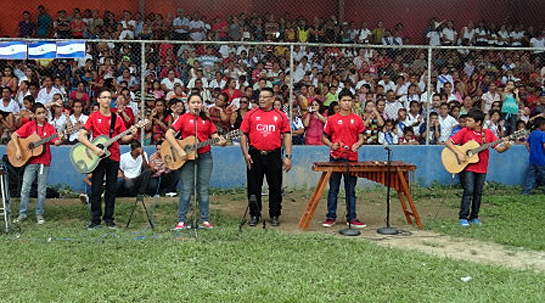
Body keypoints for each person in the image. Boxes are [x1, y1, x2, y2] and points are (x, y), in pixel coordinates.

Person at [165, 93, 227, 230]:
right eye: (193, 102)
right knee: (186, 188)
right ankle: (181, 220)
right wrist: (179, 150)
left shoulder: (207, 121)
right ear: (188, 104)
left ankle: (204, 219)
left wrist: (221, 142)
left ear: (202, 104)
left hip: (204, 156)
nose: (196, 105)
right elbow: (168, 134)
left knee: (203, 188)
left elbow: (215, 136)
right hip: (186, 157)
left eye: (198, 102)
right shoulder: (182, 118)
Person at [78, 88, 137, 230]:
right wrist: (94, 149)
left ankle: (109, 218)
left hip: (114, 156)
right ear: (98, 100)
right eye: (103, 97)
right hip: (97, 157)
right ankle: (95, 219)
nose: (106, 100)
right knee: (96, 188)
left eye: (109, 98)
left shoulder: (116, 118)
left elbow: (123, 138)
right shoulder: (92, 117)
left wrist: (133, 134)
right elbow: (81, 136)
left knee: (111, 188)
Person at [445, 109, 511, 227]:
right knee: (468, 191)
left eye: (470, 120)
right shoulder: (464, 131)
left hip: (482, 167)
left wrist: (506, 146)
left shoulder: (488, 134)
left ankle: (474, 216)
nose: (467, 122)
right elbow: (449, 142)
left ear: (478, 123)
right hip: (468, 167)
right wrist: (459, 154)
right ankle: (463, 217)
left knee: (478, 192)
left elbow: (498, 149)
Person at [240, 87, 292, 227]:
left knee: (275, 186)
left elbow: (287, 135)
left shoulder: (280, 116)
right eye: (260, 97)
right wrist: (246, 153)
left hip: (273, 155)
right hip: (255, 154)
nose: (262, 99)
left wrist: (288, 156)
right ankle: (255, 215)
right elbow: (243, 135)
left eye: (265, 97)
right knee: (253, 187)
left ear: (272, 99)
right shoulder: (251, 115)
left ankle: (275, 214)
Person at [11, 103, 64, 224]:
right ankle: (22, 214)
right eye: (39, 113)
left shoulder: (50, 127)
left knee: (41, 189)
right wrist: (19, 149)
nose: (42, 115)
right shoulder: (29, 126)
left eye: (43, 113)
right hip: (30, 161)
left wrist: (62, 138)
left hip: (44, 162)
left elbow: (56, 142)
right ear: (34, 115)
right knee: (25, 188)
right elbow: (14, 135)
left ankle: (39, 214)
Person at [320, 89, 366, 228]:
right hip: (336, 157)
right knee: (333, 188)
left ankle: (352, 217)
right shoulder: (332, 119)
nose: (347, 103)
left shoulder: (357, 119)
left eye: (349, 101)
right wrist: (331, 145)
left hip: (351, 158)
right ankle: (331, 216)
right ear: (339, 102)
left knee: (350, 189)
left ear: (353, 102)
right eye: (344, 101)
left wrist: (358, 144)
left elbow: (361, 137)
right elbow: (323, 136)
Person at [521, 117, 545, 195]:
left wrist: (531, 151)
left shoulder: (532, 134)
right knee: (543, 175)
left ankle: (526, 191)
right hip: (541, 159)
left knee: (530, 176)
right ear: (541, 125)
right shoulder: (542, 134)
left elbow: (527, 144)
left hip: (532, 159)